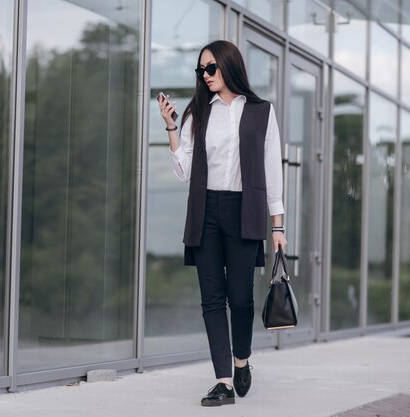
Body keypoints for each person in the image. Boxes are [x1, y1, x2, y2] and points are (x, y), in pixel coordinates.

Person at [157, 40, 287, 407]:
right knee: (212, 300)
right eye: (201, 70)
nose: (205, 75)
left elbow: (271, 173)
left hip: (245, 209)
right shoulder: (198, 113)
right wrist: (171, 127)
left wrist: (277, 227)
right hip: (206, 211)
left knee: (241, 299)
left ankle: (242, 358)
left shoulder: (261, 112)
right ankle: (224, 381)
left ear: (229, 67)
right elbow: (183, 170)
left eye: (211, 68)